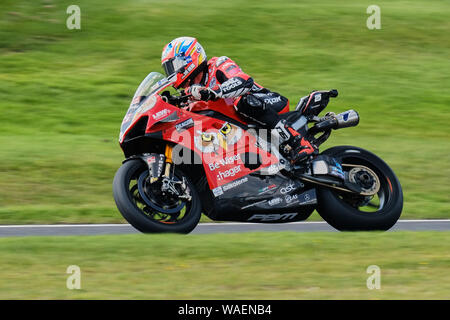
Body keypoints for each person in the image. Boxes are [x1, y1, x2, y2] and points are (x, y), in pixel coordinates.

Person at [161, 36, 317, 164]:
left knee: (242, 102)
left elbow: (244, 80)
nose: (172, 73)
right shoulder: (190, 93)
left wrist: (214, 92)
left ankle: (299, 143)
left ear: (189, 58)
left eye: (173, 66)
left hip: (267, 101)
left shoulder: (218, 64)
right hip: (239, 129)